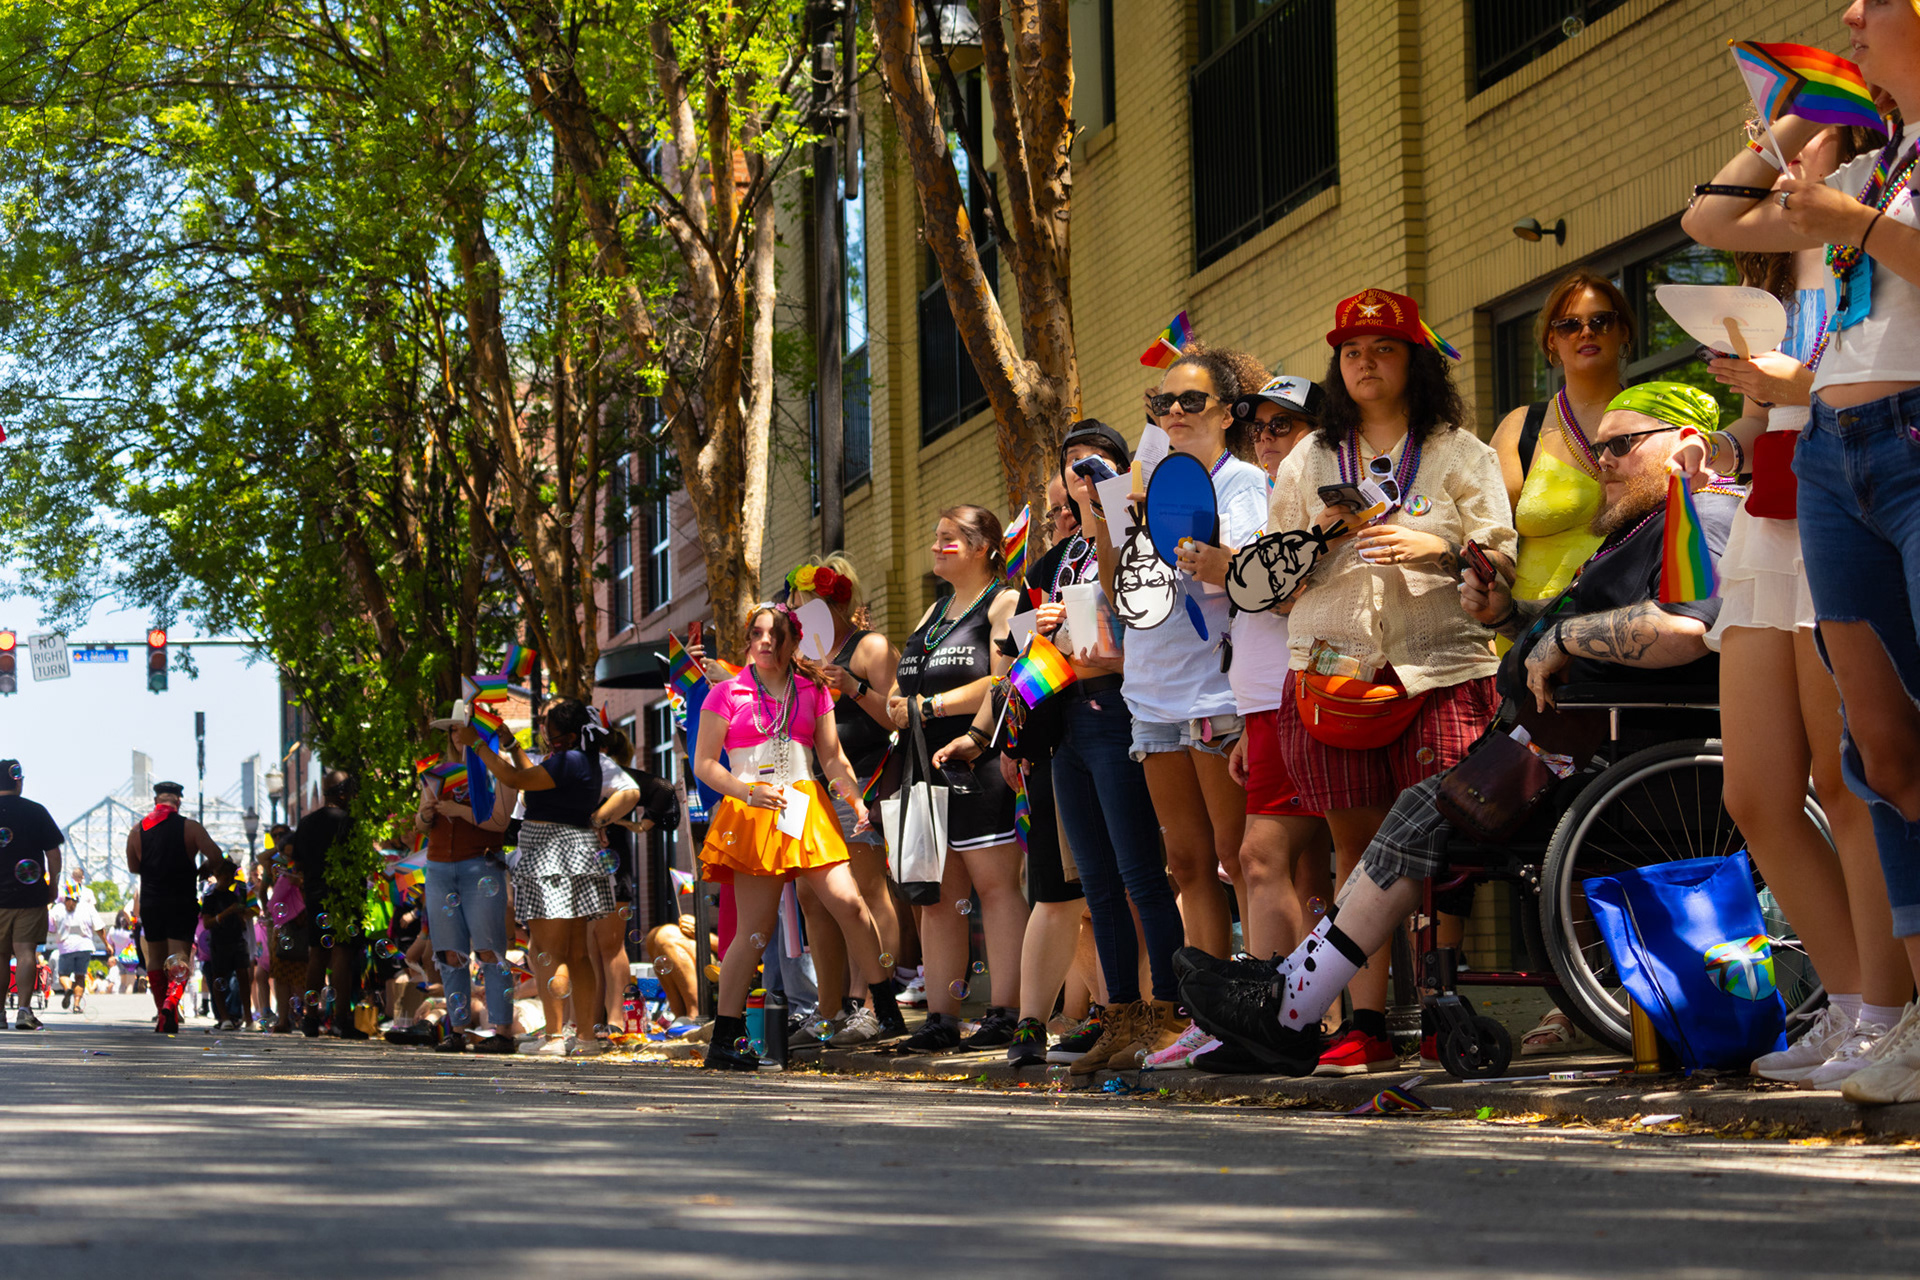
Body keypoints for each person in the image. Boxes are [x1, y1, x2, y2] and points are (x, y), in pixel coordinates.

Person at [1179, 383, 1741, 1075]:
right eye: (1598, 449)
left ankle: (1290, 1003)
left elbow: (1685, 630)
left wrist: (1562, 635)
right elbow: (1565, 632)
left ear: (1687, 450)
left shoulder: (1705, 514)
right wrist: (1510, 614)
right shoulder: (1641, 528)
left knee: (1426, 813)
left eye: (1623, 447)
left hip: (1622, 765)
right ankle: (1290, 997)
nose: (1604, 463)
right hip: (1572, 751)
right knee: (1420, 814)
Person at [1681, 5, 1920, 1104]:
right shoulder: (1851, 181)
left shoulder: (1867, 197)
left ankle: (1887, 1005)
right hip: (1815, 468)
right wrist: (1787, 119)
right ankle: (1876, 1006)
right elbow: (1711, 217)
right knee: (1824, 770)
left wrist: (1844, 207)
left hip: (1881, 452)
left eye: (1868, 12)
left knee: (1860, 766)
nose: (1849, 19)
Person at [1247, 288, 1514, 1075]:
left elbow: (1501, 553)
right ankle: (1363, 1021)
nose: (1365, 363)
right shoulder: (1305, 459)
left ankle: (1439, 1009)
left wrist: (1433, 548)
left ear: (1414, 361)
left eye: (1384, 349)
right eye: (1352, 351)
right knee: (1358, 853)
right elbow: (1272, 577)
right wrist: (1319, 534)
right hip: (1333, 677)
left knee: (1441, 851)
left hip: (1444, 671)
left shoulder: (1463, 452)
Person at [1157, 375, 1337, 1074]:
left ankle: (1295, 1020)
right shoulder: (1272, 496)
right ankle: (1280, 1017)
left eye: (1282, 424)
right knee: (1265, 864)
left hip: (1308, 692)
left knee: (1276, 861)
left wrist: (1226, 564)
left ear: (1319, 431)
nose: (1266, 437)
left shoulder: (1317, 496)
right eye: (1258, 426)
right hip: (1261, 704)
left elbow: (1294, 596)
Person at [932, 471, 1097, 1066]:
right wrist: (1001, 737)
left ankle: (1117, 1014)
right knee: (1060, 889)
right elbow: (1022, 670)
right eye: (1056, 512)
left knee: (1114, 888)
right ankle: (1037, 1023)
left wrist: (972, 727)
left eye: (1071, 509)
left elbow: (1003, 672)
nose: (1062, 521)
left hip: (1111, 731)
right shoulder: (1043, 577)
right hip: (1046, 745)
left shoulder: (1012, 594)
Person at [693, 603, 895, 1070]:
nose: (766, 641)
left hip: (806, 808)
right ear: (748, 639)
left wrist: (856, 801)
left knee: (849, 902)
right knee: (755, 931)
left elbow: (833, 760)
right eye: (757, 633)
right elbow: (704, 764)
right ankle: (726, 1037)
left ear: (792, 641)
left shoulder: (813, 691)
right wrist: (747, 792)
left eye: (776, 634)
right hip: (752, 810)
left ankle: (885, 1014)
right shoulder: (725, 693)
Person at [886, 506, 1028, 1053]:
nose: (936, 545)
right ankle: (941, 1019)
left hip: (981, 760)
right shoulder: (936, 608)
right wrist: (899, 704)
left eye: (949, 538)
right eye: (935, 536)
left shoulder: (1004, 601)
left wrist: (931, 704)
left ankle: (1006, 1011)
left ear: (984, 546)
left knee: (994, 889)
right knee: (937, 897)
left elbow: (1005, 676)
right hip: (926, 766)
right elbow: (907, 682)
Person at [456, 700, 639, 1056]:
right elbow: (536, 781)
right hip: (579, 852)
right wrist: (511, 745)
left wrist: (475, 744)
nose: (546, 737)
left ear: (567, 735)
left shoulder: (566, 760)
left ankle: (555, 1038)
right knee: (577, 953)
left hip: (548, 853)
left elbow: (513, 778)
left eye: (549, 732)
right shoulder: (582, 761)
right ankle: (585, 1039)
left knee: (547, 951)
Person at [785, 554, 906, 1046]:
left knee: (867, 891)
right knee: (813, 898)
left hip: (863, 782)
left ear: (829, 602)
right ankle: (828, 1009)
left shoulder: (869, 648)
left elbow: (898, 717)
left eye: (801, 604)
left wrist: (851, 687)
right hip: (804, 791)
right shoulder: (796, 661)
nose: (793, 613)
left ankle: (871, 1005)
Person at [404, 706, 520, 1054]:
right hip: (439, 869)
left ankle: (502, 1032)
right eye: (453, 730)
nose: (458, 735)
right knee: (449, 954)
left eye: (464, 728)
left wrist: (461, 812)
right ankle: (457, 1029)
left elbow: (500, 823)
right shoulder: (436, 773)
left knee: (489, 950)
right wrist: (424, 815)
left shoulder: (497, 770)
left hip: (481, 866)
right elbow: (421, 825)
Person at [599, 727, 679, 1034]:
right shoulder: (592, 776)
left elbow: (664, 789)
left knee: (609, 945)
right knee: (591, 948)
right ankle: (593, 1019)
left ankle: (616, 1020)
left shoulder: (618, 778)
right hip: (590, 866)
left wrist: (637, 825)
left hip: (612, 867)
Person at [126, 778, 222, 1033]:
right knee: (178, 957)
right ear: (178, 801)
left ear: (156, 801)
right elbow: (216, 856)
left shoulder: (137, 830)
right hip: (181, 901)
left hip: (151, 902)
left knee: (155, 959)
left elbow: (134, 867)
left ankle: (162, 1014)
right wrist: (202, 869)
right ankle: (171, 1004)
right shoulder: (190, 827)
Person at [291, 771, 367, 1039]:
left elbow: (297, 863)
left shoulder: (307, 822)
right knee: (342, 955)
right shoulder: (351, 823)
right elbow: (363, 861)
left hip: (314, 895)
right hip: (344, 895)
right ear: (344, 792)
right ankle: (342, 1021)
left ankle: (310, 1020)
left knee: (317, 956)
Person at [1, 760, 61, 1031]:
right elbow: (53, 853)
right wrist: (53, 883)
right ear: (18, 781)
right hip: (30, 893)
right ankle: (24, 1011)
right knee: (26, 952)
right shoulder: (36, 811)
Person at [199, 855, 251, 1030]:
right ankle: (224, 1017)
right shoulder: (211, 897)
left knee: (243, 976)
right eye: (225, 875)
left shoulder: (234, 895)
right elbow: (207, 923)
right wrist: (228, 912)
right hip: (219, 942)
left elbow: (241, 918)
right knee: (219, 978)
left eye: (231, 875)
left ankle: (248, 1017)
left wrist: (242, 916)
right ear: (218, 875)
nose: (228, 879)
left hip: (237, 939)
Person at [49, 887, 97, 1015]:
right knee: (80, 976)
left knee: (63, 975)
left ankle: (68, 988)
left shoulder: (57, 908)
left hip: (66, 948)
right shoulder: (87, 907)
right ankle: (76, 1005)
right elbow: (99, 926)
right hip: (85, 946)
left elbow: (51, 928)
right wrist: (107, 944)